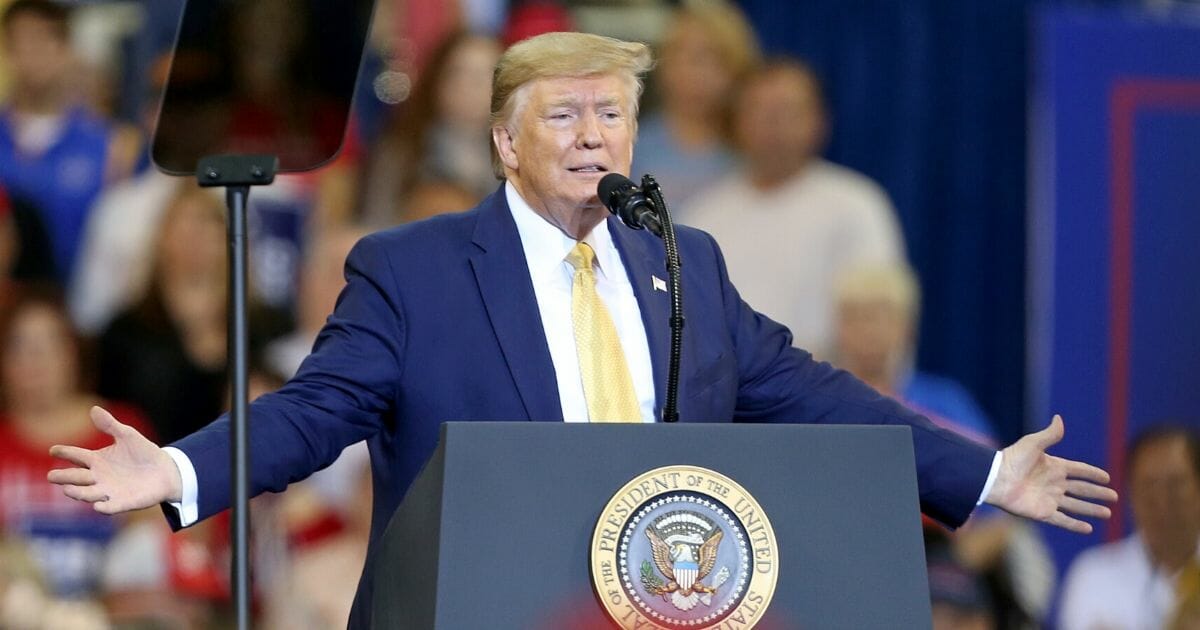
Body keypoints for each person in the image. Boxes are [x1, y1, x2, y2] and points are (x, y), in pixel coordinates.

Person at [48, 32, 1115, 628]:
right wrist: (184, 473)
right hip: (475, 609)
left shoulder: (680, 261)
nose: (593, 134)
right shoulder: (413, 268)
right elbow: (319, 412)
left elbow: (805, 388)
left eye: (611, 113)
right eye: (564, 115)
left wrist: (978, 478)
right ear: (508, 144)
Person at [685, 60, 905, 357]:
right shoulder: (701, 217)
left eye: (788, 111)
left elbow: (881, 326)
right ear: (736, 121)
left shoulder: (857, 206)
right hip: (729, 392)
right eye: (761, 111)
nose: (775, 124)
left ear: (820, 120)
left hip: (829, 390)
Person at [1059, 425, 1200, 629]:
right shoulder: (1094, 577)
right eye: (1149, 486)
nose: (1162, 501)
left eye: (1175, 484)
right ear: (1130, 493)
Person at [631, 0, 760, 210]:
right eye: (683, 55)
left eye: (712, 58)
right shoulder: (633, 145)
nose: (696, 73)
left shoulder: (752, 149)